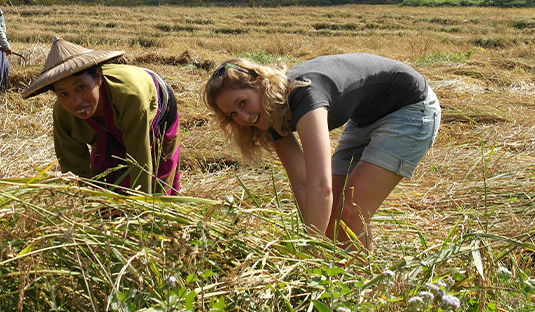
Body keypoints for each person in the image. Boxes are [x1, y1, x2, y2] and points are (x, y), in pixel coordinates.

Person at [203, 53, 440, 250]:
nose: (244, 118)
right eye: (233, 115)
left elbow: (320, 186)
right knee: (330, 220)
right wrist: (315, 237)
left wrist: (308, 250)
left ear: (260, 84)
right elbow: (302, 184)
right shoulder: (269, 116)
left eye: (242, 103)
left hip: (410, 109)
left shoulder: (305, 94)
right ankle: (336, 282)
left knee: (352, 210)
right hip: (365, 119)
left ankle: (362, 291)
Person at [22, 37, 181, 195]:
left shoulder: (130, 98)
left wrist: (141, 207)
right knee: (103, 182)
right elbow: (73, 168)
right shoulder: (63, 113)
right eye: (63, 93)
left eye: (81, 87)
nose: (76, 101)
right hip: (108, 126)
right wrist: (84, 203)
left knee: (157, 186)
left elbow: (140, 161)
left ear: (98, 77)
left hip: (157, 111)